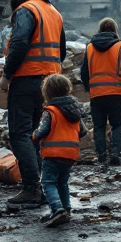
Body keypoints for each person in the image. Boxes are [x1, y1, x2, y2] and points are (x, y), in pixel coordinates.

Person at [1, 0, 65, 209]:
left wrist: (7, 75)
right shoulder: (53, 12)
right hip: (50, 80)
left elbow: (19, 43)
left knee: (20, 133)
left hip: (27, 77)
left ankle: (31, 188)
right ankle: (44, 184)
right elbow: (63, 50)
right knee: (36, 134)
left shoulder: (26, 10)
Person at [31, 73, 85, 228]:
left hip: (53, 153)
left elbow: (42, 131)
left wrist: (33, 135)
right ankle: (66, 208)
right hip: (71, 154)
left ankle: (57, 209)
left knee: (48, 182)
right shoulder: (74, 111)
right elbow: (82, 131)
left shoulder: (51, 111)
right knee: (62, 182)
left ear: (47, 92)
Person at [80, 17, 121, 165]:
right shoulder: (120, 47)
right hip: (116, 94)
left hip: (97, 94)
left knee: (99, 126)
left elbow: (84, 71)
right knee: (117, 125)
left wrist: (88, 88)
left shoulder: (90, 47)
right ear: (115, 30)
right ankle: (115, 153)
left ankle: (102, 155)